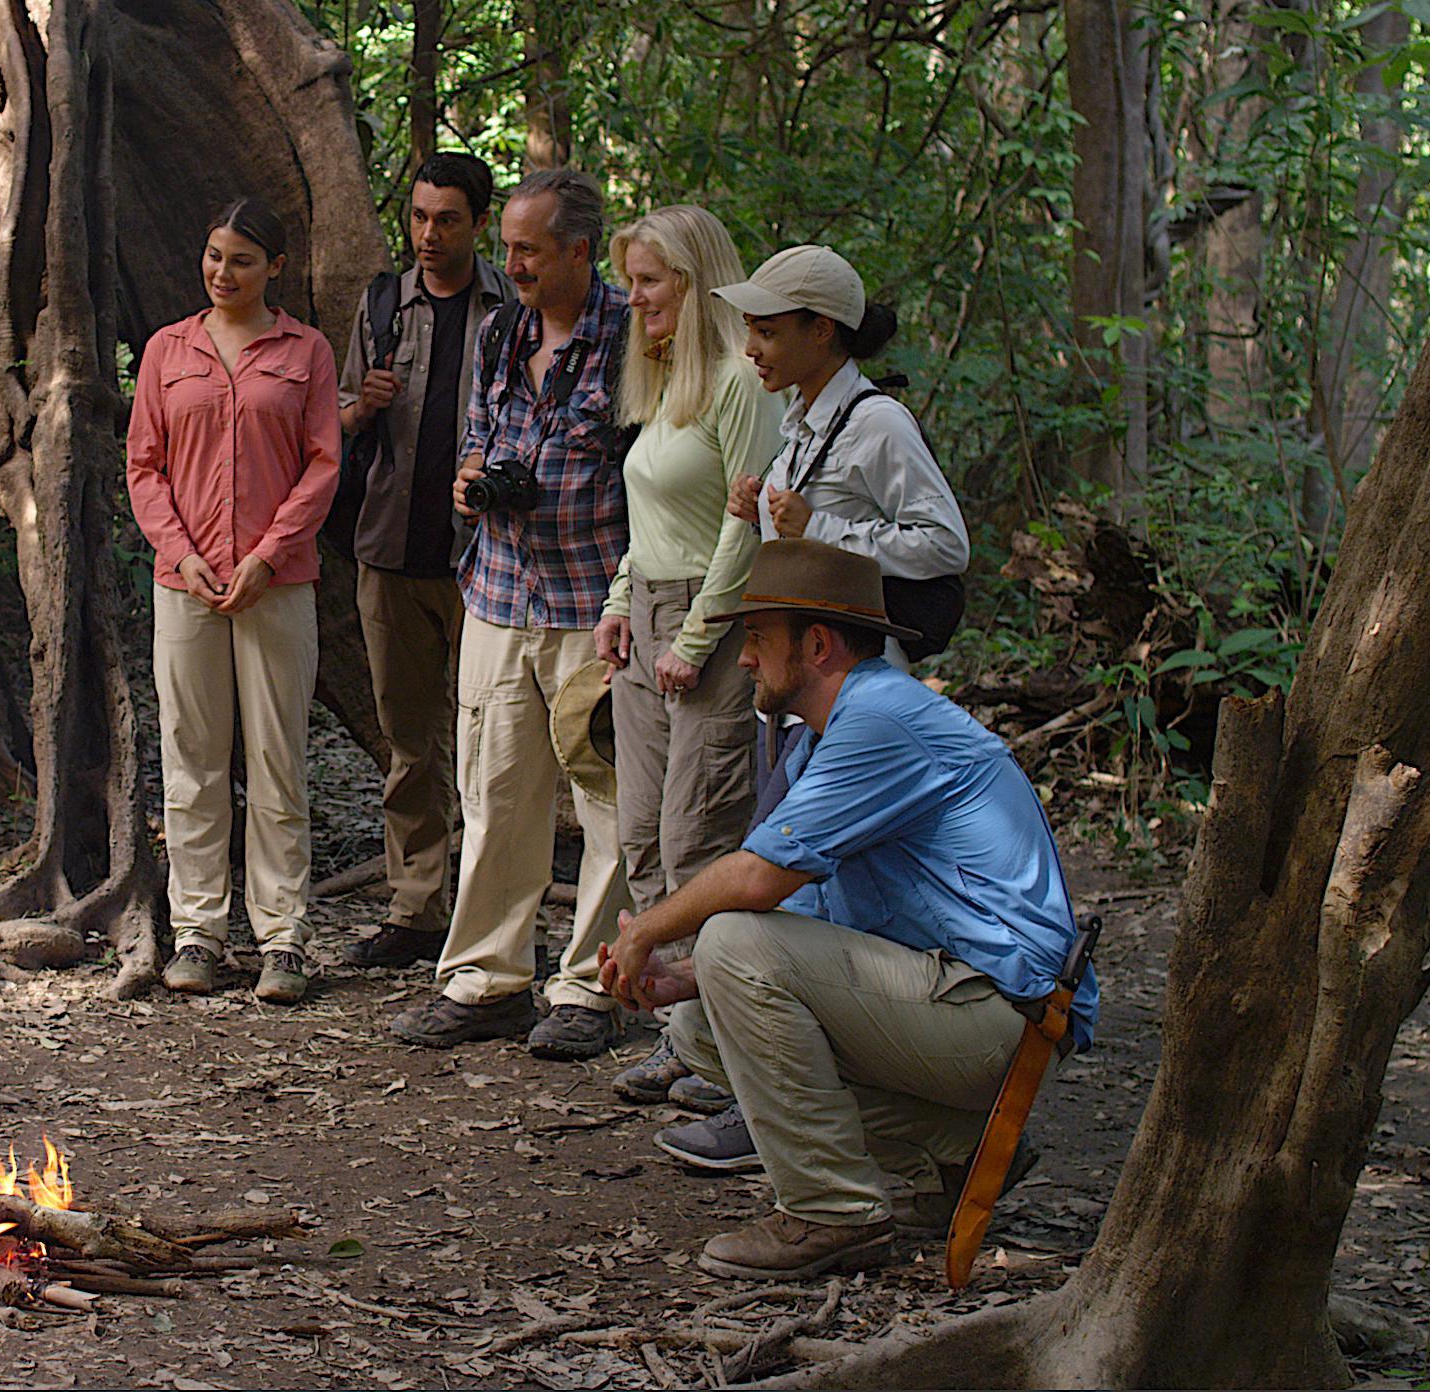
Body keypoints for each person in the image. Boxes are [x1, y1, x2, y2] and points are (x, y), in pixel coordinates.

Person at [596, 540, 1098, 1281]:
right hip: (959, 1001)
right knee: (702, 1028)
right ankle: (954, 1150)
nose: (743, 660)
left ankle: (829, 1214)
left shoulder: (880, 720)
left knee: (730, 938)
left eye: (758, 639)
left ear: (818, 644)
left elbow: (759, 884)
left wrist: (643, 930)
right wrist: (683, 977)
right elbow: (815, 922)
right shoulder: (824, 743)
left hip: (1002, 1013)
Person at [384, 167, 640, 1058]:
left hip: (591, 604)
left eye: (528, 249)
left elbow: (650, 469)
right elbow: (479, 433)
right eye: (509, 248)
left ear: (578, 250)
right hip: (497, 591)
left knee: (603, 802)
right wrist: (469, 477)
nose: (513, 263)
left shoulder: (632, 336)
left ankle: (587, 989)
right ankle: (487, 978)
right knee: (492, 794)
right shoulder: (500, 332)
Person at [127, 197, 340, 1006]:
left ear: (275, 268)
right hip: (184, 587)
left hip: (274, 584)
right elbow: (144, 465)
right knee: (192, 760)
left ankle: (283, 938)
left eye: (242, 260)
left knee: (278, 758)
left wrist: (265, 554)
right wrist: (180, 552)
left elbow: (322, 463)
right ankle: (198, 933)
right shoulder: (166, 350)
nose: (223, 272)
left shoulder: (305, 352)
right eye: (214, 255)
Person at [589, 206, 781, 1088]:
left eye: (649, 281)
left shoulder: (743, 380)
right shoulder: (664, 378)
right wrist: (621, 601)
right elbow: (652, 519)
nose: (633, 299)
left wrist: (698, 636)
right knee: (638, 838)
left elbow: (749, 526)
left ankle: (717, 1048)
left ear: (697, 281)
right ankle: (677, 1033)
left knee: (696, 840)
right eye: (630, 281)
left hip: (716, 627)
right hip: (647, 625)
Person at [334, 151, 517, 970]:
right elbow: (336, 422)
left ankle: (488, 910)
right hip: (388, 552)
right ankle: (416, 907)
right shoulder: (381, 306)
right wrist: (357, 409)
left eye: (446, 219)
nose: (428, 234)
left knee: (489, 741)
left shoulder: (509, 310)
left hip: (490, 562)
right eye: (417, 217)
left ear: (477, 222)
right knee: (409, 742)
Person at [716, 244, 967, 672]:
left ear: (821, 330)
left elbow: (946, 545)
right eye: (750, 330)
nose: (751, 349)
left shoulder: (877, 422)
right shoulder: (801, 423)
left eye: (768, 332)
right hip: (795, 682)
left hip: (854, 682)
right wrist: (761, 513)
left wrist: (818, 528)